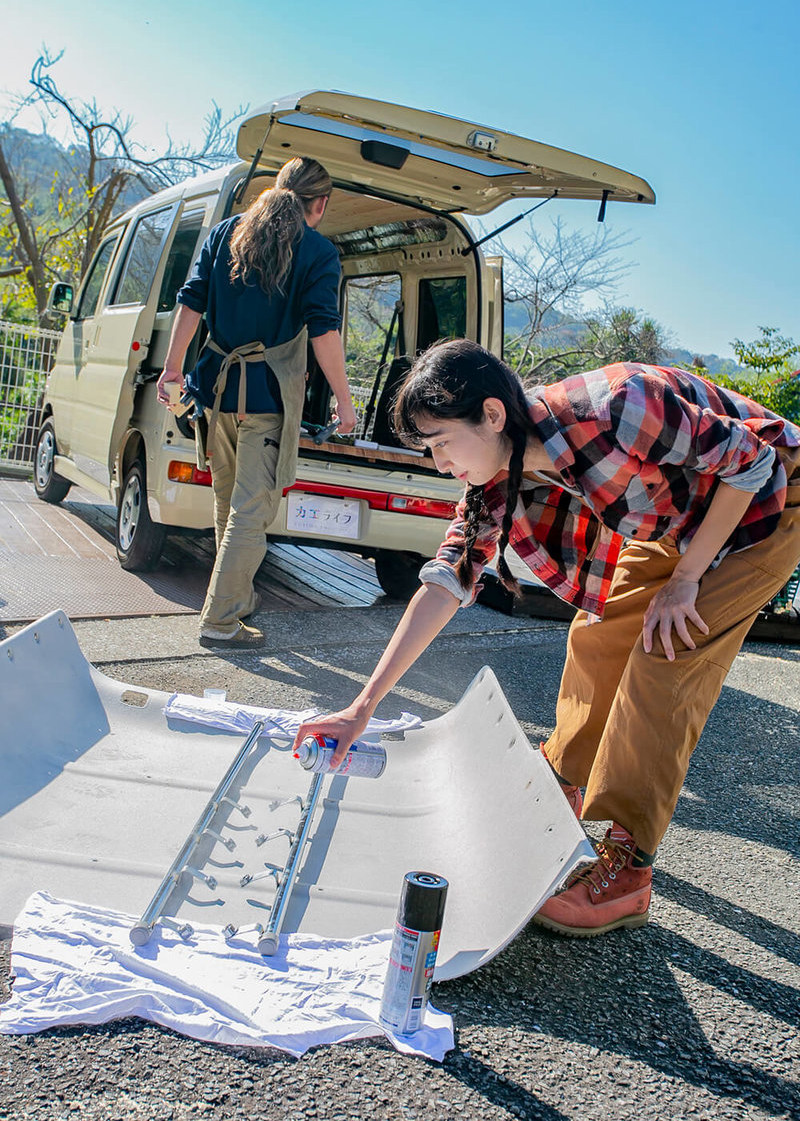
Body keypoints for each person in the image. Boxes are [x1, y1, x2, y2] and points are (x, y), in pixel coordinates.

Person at [292, 339, 800, 937]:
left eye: (441, 443)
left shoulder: (617, 406)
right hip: (679, 518)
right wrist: (361, 708)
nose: (438, 464)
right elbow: (444, 583)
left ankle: (628, 868)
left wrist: (686, 579)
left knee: (666, 653)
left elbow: (752, 463)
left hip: (770, 503)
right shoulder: (498, 476)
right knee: (598, 633)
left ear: (492, 415)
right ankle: (560, 782)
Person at [157, 157, 356, 649]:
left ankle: (237, 605)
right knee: (252, 512)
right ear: (321, 204)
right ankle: (220, 621)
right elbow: (324, 329)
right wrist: (345, 404)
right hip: (267, 397)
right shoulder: (317, 250)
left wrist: (173, 367)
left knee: (230, 506)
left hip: (217, 392)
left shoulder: (228, 232)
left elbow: (192, 299)